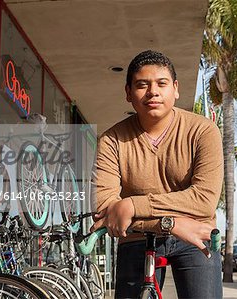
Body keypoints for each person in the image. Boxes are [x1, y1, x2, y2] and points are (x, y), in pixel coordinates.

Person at [91, 50, 224, 299]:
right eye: (142, 84)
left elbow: (204, 201)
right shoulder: (111, 140)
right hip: (138, 237)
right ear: (128, 92)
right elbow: (105, 210)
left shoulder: (203, 131)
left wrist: (132, 205)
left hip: (196, 235)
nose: (153, 91)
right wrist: (171, 223)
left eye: (161, 83)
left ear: (175, 89)